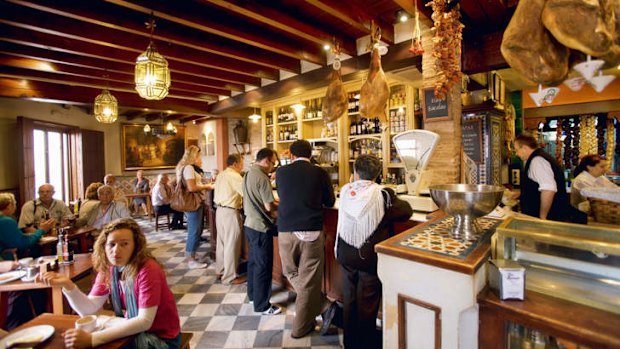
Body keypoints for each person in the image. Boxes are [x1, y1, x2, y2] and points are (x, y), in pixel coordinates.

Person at [37, 218, 181, 349]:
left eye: (124, 244)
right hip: (136, 331)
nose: (116, 250)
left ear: (136, 246)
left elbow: (144, 321)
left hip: (161, 338)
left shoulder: (148, 269)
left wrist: (93, 339)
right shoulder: (109, 269)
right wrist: (68, 286)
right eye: (111, 244)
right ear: (103, 246)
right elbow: (89, 310)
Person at [336, 155, 413, 348]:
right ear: (378, 174)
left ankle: (350, 342)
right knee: (367, 303)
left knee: (350, 298)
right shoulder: (383, 195)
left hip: (345, 252)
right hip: (368, 256)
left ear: (355, 173)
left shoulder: (345, 190)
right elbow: (407, 212)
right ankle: (365, 343)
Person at [275, 139, 336, 338]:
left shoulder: (281, 173)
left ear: (291, 155)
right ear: (310, 155)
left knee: (289, 271)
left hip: (285, 231)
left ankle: (302, 325)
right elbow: (330, 201)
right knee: (308, 281)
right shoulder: (320, 173)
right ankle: (324, 307)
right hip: (311, 231)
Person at [0, 192, 50, 329]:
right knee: (35, 287)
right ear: (9, 205)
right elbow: (23, 243)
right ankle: (29, 324)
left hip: (5, 263)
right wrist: (41, 230)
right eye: (14, 203)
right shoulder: (5, 221)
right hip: (6, 269)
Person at [514, 134, 586, 223]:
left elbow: (548, 189)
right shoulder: (541, 157)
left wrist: (543, 216)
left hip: (550, 217)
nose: (516, 154)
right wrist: (523, 194)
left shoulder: (537, 161)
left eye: (517, 150)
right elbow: (538, 185)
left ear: (524, 148)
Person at [243, 148, 281, 315]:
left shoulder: (248, 173)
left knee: (253, 263)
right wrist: (278, 207)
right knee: (263, 266)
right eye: (273, 163)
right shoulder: (262, 178)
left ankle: (252, 295)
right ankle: (262, 305)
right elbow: (268, 206)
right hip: (261, 227)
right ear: (266, 161)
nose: (273, 167)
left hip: (249, 224)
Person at [176, 145, 213, 269]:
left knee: (197, 230)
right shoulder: (188, 168)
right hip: (193, 203)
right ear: (193, 156)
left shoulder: (188, 168)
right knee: (194, 231)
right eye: (198, 155)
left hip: (195, 202)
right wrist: (206, 186)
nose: (200, 157)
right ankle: (191, 260)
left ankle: (192, 254)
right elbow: (191, 187)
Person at [214, 154, 246, 285]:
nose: (242, 166)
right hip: (230, 212)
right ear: (235, 164)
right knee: (231, 245)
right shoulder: (235, 176)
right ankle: (230, 277)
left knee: (221, 243)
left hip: (220, 211)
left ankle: (220, 271)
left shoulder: (221, 174)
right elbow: (245, 193)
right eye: (242, 163)